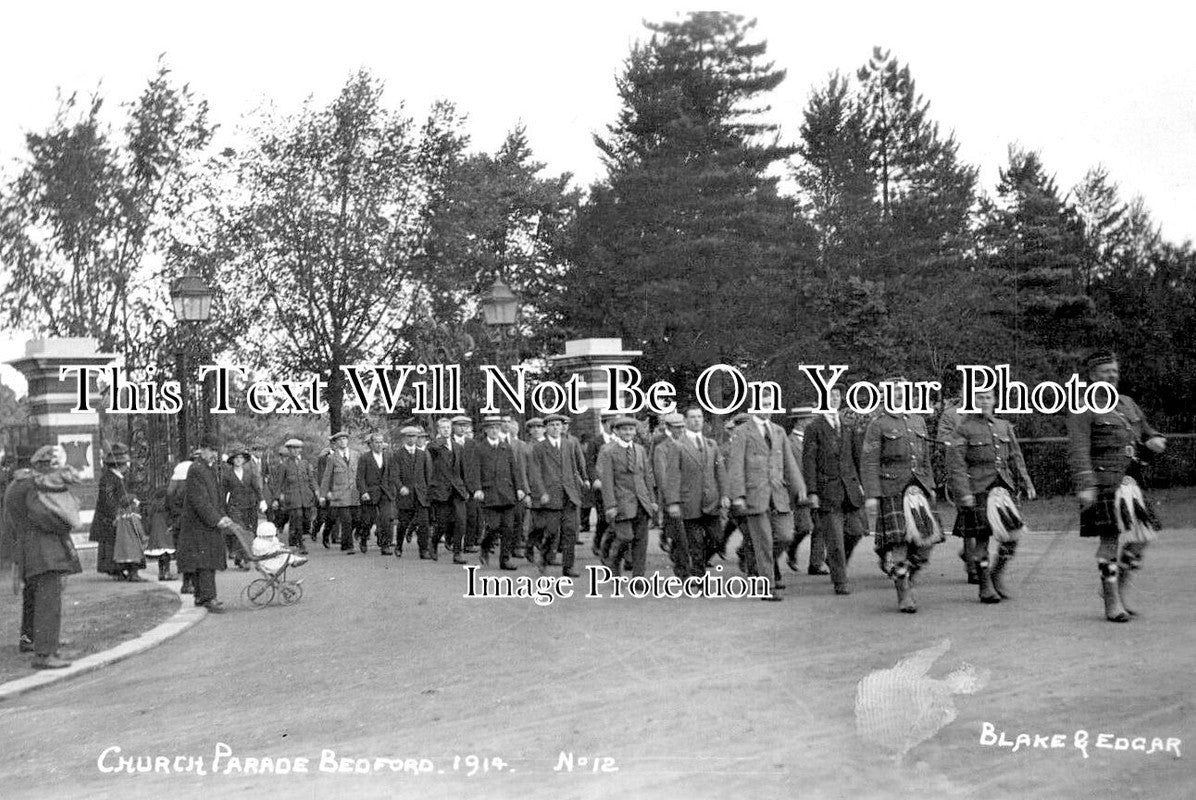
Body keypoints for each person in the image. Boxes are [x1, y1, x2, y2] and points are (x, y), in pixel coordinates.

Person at [1067, 351, 1166, 622]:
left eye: (1115, 371)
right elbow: (1078, 450)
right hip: (1103, 483)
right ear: (1091, 376)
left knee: (1141, 539)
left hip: (1131, 482)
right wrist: (1086, 484)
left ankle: (1115, 588)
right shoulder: (1082, 406)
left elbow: (1147, 430)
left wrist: (1155, 439)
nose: (1112, 376)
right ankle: (1112, 602)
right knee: (1110, 540)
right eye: (1105, 371)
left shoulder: (1127, 403)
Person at [861, 378, 943, 613]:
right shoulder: (878, 424)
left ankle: (908, 575)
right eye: (895, 392)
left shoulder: (918, 421)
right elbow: (869, 462)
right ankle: (903, 592)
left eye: (903, 391)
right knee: (899, 544)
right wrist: (872, 495)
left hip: (919, 490)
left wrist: (931, 486)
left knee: (926, 542)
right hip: (892, 490)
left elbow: (925, 457)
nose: (900, 395)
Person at [946, 388, 1036, 603]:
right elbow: (956, 465)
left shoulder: (1003, 426)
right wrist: (964, 493)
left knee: (1013, 535)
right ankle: (985, 585)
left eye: (988, 397)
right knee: (982, 540)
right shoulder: (963, 429)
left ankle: (997, 573)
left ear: (995, 400)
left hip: (1004, 488)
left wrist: (1027, 483)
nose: (984, 401)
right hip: (978, 489)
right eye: (979, 397)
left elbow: (1016, 457)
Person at [1, 445, 82, 669]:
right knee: (48, 603)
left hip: (32, 549)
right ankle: (45, 654)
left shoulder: (18, 484)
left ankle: (47, 648)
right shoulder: (33, 487)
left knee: (39, 601)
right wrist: (65, 521)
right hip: (44, 550)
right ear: (45, 465)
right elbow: (44, 517)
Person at [727, 410, 807, 601]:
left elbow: (789, 464)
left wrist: (799, 488)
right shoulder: (743, 431)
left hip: (778, 494)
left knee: (786, 536)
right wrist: (738, 495)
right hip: (754, 496)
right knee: (763, 541)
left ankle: (753, 560)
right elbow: (736, 465)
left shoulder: (778, 431)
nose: (767, 409)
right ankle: (767, 586)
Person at [803, 387, 866, 595]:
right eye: (829, 396)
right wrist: (812, 492)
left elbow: (857, 458)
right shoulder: (814, 428)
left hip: (849, 490)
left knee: (856, 532)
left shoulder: (848, 427)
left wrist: (863, 485)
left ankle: (834, 561)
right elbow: (809, 462)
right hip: (827, 491)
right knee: (836, 539)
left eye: (837, 396)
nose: (834, 399)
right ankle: (840, 580)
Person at [664, 407, 728, 580]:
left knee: (718, 540)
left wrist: (724, 494)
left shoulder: (711, 444)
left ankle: (694, 565)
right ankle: (699, 578)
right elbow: (672, 476)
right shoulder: (678, 446)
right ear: (685, 421)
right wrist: (673, 502)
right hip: (689, 502)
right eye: (692, 417)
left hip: (711, 501)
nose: (697, 420)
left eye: (699, 417)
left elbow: (720, 471)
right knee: (696, 543)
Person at [177, 433, 236, 613]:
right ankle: (208, 598)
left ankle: (201, 596)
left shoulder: (208, 469)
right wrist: (217, 519)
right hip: (199, 524)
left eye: (216, 451)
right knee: (205, 562)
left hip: (205, 523)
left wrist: (222, 515)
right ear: (202, 449)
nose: (214, 454)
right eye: (211, 450)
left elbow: (215, 499)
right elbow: (199, 500)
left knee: (205, 560)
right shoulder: (196, 469)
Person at [527, 413, 588, 577]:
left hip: (569, 495)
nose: (555, 428)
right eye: (552, 425)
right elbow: (535, 472)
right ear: (546, 428)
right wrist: (542, 492)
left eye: (558, 425)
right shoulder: (539, 448)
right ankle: (545, 559)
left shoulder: (569, 444)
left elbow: (574, 467)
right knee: (552, 531)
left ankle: (568, 567)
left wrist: (581, 482)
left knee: (570, 532)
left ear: (562, 427)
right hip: (551, 495)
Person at [596, 416, 658, 577]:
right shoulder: (609, 452)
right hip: (621, 503)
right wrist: (610, 505)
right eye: (624, 429)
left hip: (641, 503)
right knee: (625, 537)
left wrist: (652, 500)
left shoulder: (640, 450)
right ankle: (614, 561)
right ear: (616, 431)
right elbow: (607, 481)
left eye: (631, 429)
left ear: (635, 431)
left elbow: (647, 477)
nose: (628, 432)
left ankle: (639, 577)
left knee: (640, 542)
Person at [474, 417, 527, 570]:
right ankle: (485, 545)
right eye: (491, 428)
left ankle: (505, 559)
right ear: (485, 430)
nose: (494, 430)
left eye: (497, 428)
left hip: (507, 492)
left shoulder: (506, 447)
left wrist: (519, 488)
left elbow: (515, 470)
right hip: (489, 492)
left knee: (508, 528)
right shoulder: (479, 448)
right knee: (494, 526)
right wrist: (477, 488)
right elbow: (475, 470)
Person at [427, 416, 479, 564]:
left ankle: (457, 553)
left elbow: (463, 470)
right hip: (441, 491)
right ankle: (434, 543)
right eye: (443, 428)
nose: (446, 430)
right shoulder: (433, 446)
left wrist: (468, 489)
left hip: (457, 490)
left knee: (461, 522)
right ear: (438, 430)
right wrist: (441, 439)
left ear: (451, 429)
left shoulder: (458, 447)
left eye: (448, 428)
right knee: (442, 523)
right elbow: (433, 448)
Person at [91, 443, 144, 582]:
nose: (127, 466)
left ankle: (122, 570)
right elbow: (108, 500)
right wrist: (117, 513)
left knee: (122, 544)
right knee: (113, 545)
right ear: (119, 465)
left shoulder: (120, 477)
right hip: (111, 519)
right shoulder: (108, 478)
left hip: (122, 516)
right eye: (125, 463)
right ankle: (118, 571)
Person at [785, 408, 825, 575]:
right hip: (799, 492)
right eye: (811, 419)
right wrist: (798, 488)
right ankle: (791, 549)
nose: (813, 422)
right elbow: (789, 469)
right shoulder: (789, 442)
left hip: (816, 488)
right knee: (804, 527)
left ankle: (815, 564)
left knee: (820, 527)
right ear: (801, 421)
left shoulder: (815, 439)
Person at [392, 426, 432, 558]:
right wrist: (400, 487)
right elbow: (394, 475)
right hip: (406, 495)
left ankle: (424, 550)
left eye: (414, 436)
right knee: (403, 523)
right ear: (404, 438)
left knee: (424, 523)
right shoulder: (398, 454)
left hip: (421, 495)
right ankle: (398, 546)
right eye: (409, 436)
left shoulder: (422, 454)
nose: (411, 439)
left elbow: (428, 475)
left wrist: (428, 491)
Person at [221, 444, 260, 570]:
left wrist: (262, 501)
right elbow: (223, 493)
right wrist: (222, 508)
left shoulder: (249, 473)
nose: (238, 460)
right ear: (232, 460)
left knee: (249, 532)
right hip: (234, 507)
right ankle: (245, 559)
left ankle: (239, 556)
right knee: (240, 531)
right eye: (236, 458)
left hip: (249, 506)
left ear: (244, 460)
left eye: (240, 458)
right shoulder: (227, 475)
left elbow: (256, 488)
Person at [321, 431, 361, 554]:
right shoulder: (332, 458)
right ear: (336, 443)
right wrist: (323, 495)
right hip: (339, 493)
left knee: (356, 519)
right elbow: (327, 477)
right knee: (346, 520)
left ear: (347, 441)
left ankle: (343, 540)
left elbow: (361, 474)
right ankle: (347, 545)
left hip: (354, 492)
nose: (343, 441)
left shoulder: (356, 455)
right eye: (340, 440)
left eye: (345, 439)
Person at [274, 438, 317, 553]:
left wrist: (317, 492)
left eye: (297, 448)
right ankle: (300, 544)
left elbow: (311, 479)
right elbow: (279, 483)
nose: (295, 451)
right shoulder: (284, 465)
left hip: (306, 497)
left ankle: (294, 537)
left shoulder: (305, 463)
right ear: (288, 450)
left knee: (306, 520)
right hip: (292, 498)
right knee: (297, 518)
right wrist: (276, 498)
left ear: (301, 450)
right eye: (292, 448)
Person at [356, 432, 395, 555]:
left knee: (386, 518)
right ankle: (363, 538)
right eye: (376, 442)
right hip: (370, 493)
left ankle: (385, 545)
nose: (379, 444)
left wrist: (393, 489)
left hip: (385, 492)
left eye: (381, 442)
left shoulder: (388, 456)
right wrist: (363, 492)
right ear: (371, 444)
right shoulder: (365, 458)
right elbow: (360, 477)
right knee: (368, 520)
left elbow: (392, 474)